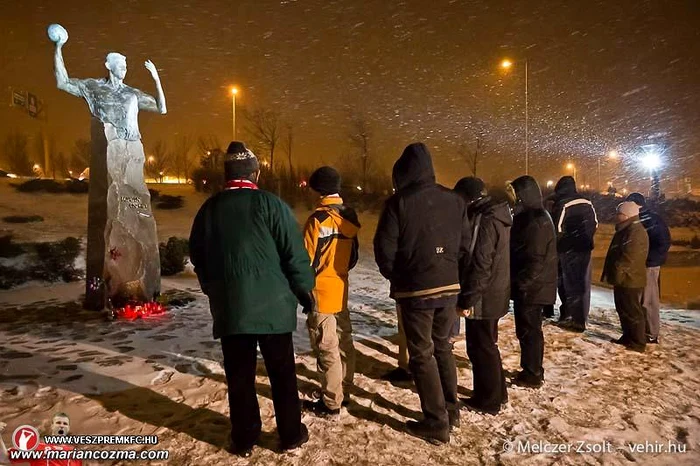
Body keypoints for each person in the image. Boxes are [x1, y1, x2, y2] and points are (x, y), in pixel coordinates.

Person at [189, 141, 315, 457]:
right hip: (273, 307)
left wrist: (213, 289)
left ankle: (244, 437)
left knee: (240, 377)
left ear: (226, 174)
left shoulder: (210, 210)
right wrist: (305, 291)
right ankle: (290, 434)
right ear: (254, 172)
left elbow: (199, 257)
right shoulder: (272, 205)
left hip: (232, 310)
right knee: (282, 373)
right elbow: (294, 254)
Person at [51, 26, 167, 309]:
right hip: (109, 151)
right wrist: (58, 48)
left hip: (133, 153)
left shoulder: (131, 93)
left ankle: (145, 285)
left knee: (139, 211)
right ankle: (108, 287)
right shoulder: (95, 87)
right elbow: (62, 82)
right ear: (108, 65)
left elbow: (162, 108)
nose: (125, 67)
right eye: (121, 63)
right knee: (111, 215)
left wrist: (156, 78)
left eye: (127, 64)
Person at [374, 142, 470, 444]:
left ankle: (436, 420)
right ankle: (451, 409)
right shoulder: (455, 200)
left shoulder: (398, 203)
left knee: (422, 353)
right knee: (442, 347)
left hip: (416, 291)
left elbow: (384, 250)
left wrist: (400, 276)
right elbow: (465, 245)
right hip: (449, 286)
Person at [302, 166, 360, 416]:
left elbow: (304, 261)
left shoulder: (318, 219)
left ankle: (331, 402)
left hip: (321, 293)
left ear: (318, 189)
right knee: (344, 342)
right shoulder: (350, 217)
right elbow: (354, 257)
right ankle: (344, 389)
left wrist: (304, 291)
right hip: (341, 289)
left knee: (327, 348)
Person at [454, 177, 512, 414]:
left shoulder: (482, 219)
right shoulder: (498, 215)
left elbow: (479, 263)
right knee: (488, 345)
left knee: (480, 347)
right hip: (496, 291)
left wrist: (468, 298)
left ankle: (487, 400)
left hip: (483, 295)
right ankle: (498, 393)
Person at [508, 176, 558, 388]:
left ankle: (533, 373)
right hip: (534, 286)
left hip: (533, 289)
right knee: (529, 331)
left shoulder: (536, 221)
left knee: (529, 331)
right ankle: (531, 369)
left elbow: (535, 260)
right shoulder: (534, 216)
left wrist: (521, 283)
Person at [551, 176, 598, 332]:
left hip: (568, 249)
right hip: (585, 247)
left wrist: (561, 244)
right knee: (581, 284)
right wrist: (586, 239)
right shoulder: (587, 202)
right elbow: (595, 224)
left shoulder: (563, 203)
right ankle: (579, 317)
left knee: (568, 284)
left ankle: (572, 318)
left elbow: (557, 228)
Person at [602, 201, 649, 353]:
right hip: (624, 278)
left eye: (619, 213)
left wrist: (617, 269)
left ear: (627, 215)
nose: (616, 216)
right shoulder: (627, 229)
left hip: (630, 279)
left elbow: (630, 257)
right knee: (623, 309)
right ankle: (628, 336)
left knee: (632, 310)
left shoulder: (635, 232)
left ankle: (638, 341)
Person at [626, 193, 672, 344]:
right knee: (640, 299)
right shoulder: (643, 218)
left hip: (648, 265)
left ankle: (651, 333)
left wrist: (647, 260)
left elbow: (662, 243)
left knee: (648, 300)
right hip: (640, 264)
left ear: (636, 205)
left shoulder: (650, 219)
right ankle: (642, 330)